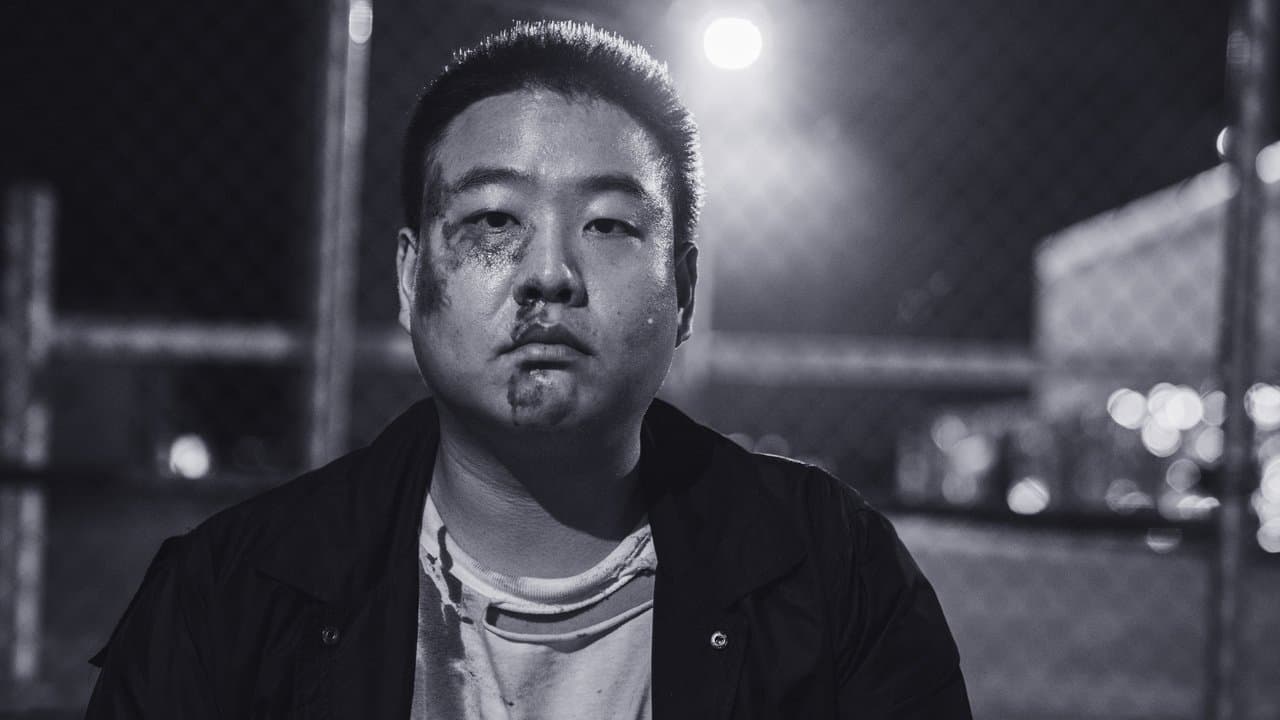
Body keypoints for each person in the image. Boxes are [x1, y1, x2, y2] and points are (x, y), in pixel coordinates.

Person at [86, 20, 971, 719]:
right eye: (493, 220)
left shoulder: (830, 574)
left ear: (684, 291)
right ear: (411, 279)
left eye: (609, 224)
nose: (550, 273)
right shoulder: (234, 595)